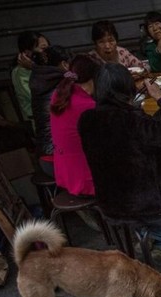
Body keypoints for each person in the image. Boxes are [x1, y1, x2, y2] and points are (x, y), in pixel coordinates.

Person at [78, 64, 161, 269]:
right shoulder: (134, 120)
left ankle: (144, 234)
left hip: (112, 202)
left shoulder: (86, 120)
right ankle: (158, 240)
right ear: (127, 87)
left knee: (146, 191)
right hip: (148, 202)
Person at [50, 54, 100, 198]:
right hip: (86, 180)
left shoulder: (58, 95)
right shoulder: (87, 106)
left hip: (65, 173)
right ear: (95, 78)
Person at [30, 45, 70, 176]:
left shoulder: (38, 77)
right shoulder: (63, 82)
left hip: (44, 156)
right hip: (59, 159)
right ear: (64, 64)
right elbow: (76, 76)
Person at [11, 31, 49, 128]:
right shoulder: (20, 73)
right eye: (43, 48)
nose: (47, 52)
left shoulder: (46, 66)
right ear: (27, 52)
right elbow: (40, 97)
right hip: (45, 121)